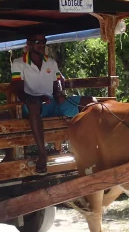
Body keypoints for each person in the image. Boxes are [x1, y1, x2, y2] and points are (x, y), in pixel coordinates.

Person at [10, 34, 97, 174]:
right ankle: (42, 153)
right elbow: (19, 90)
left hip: (52, 103)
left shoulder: (51, 63)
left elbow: (56, 85)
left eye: (43, 41)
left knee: (91, 102)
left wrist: (59, 94)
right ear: (30, 44)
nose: (42, 45)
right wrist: (36, 98)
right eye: (38, 42)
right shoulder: (18, 63)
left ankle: (91, 146)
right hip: (32, 106)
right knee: (33, 104)